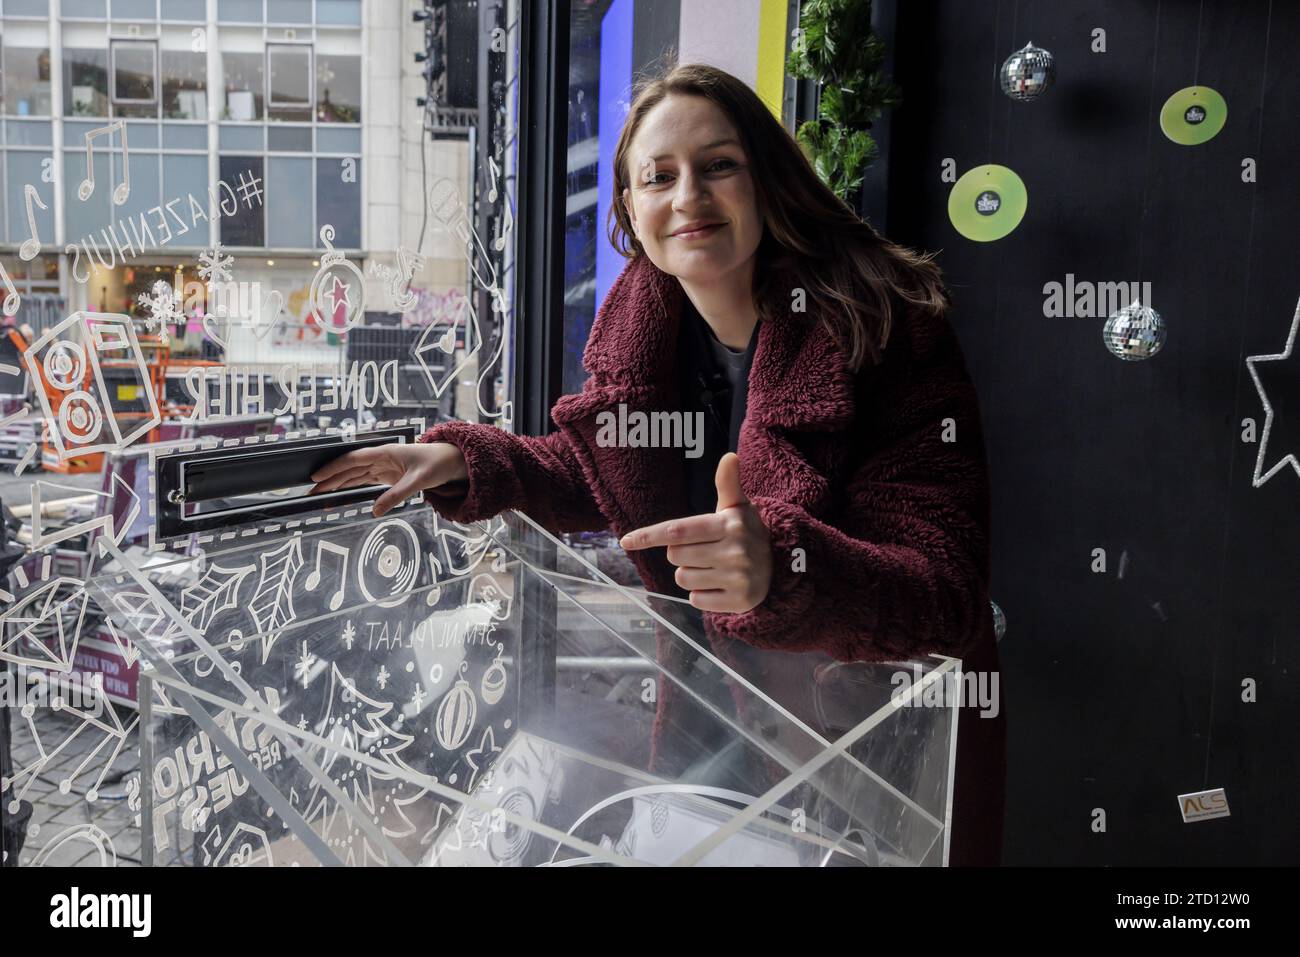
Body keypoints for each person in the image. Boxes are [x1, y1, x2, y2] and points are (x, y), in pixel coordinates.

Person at [310, 63, 1005, 866]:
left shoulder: (883, 326)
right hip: (715, 731)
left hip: (871, 758)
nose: (688, 199)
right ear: (630, 211)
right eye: (658, 177)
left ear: (767, 179)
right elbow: (605, 476)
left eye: (718, 166)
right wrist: (464, 460)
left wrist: (784, 566)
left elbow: (946, 590)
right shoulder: (651, 326)